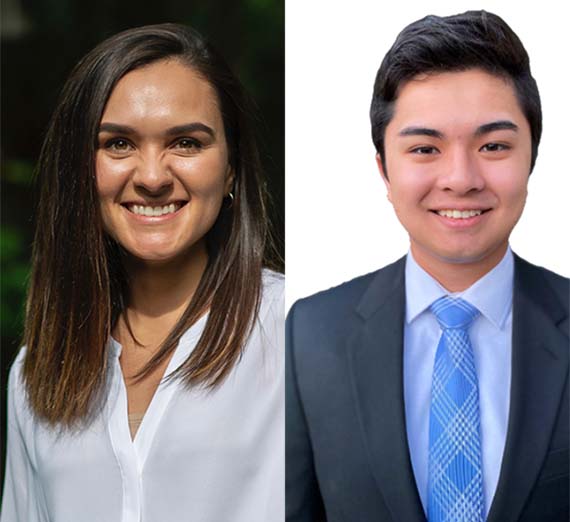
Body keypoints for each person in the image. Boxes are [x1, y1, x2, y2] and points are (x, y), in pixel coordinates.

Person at [286, 10, 568, 522]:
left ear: (531, 158)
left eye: (494, 146)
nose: (460, 178)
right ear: (384, 169)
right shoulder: (310, 335)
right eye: (424, 148)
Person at [1, 24, 284, 522]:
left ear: (232, 167)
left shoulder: (296, 329)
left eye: (187, 143)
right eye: (118, 145)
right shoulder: (34, 372)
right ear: (80, 169)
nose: (152, 177)